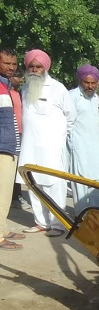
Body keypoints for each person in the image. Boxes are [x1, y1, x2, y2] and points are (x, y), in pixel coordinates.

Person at [17, 49, 75, 236]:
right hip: (30, 146)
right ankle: (41, 222)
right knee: (33, 183)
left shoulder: (58, 88)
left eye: (38, 66)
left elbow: (71, 116)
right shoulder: (25, 88)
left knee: (54, 184)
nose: (34, 70)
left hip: (52, 147)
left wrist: (58, 137)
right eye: (31, 66)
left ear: (46, 68)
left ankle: (58, 224)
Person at [68, 64, 99, 213]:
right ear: (80, 81)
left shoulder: (95, 98)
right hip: (79, 148)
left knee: (98, 181)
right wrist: (72, 145)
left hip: (95, 149)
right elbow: (67, 123)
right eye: (86, 82)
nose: (90, 86)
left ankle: (97, 215)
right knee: (81, 184)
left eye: (93, 83)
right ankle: (82, 218)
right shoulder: (72, 96)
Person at [0, 47, 24, 250]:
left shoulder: (6, 87)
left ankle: (3, 229)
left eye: (14, 64)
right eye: (6, 63)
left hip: (9, 147)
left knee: (6, 193)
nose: (11, 67)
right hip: (1, 148)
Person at [8, 65, 30, 211]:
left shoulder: (18, 93)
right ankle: (14, 198)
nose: (20, 80)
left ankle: (16, 196)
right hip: (11, 133)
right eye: (18, 76)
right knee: (12, 167)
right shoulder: (6, 93)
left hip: (22, 133)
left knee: (18, 167)